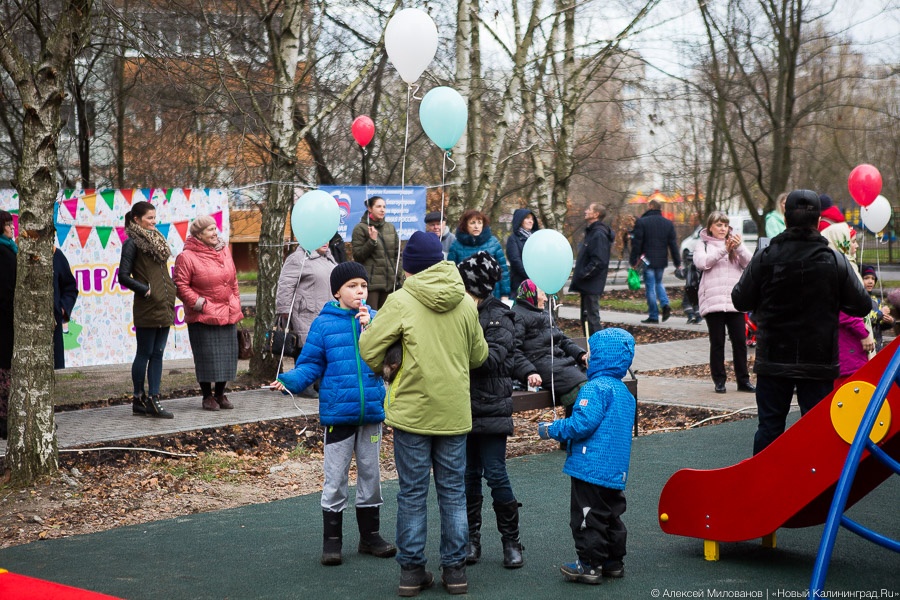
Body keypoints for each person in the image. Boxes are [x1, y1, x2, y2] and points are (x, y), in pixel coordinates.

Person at [359, 230, 488, 597]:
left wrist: (391, 363)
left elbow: (368, 347)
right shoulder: (465, 303)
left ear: (410, 268)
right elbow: (479, 356)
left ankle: (412, 573)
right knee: (453, 493)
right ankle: (455, 571)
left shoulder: (400, 301)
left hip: (412, 412)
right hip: (453, 412)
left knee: (412, 494)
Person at [271, 261, 396, 567]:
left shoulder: (376, 318)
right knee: (336, 477)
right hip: (339, 414)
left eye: (363, 286)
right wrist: (289, 380)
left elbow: (390, 358)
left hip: (371, 414)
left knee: (371, 474)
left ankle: (370, 536)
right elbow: (311, 363)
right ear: (338, 291)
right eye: (352, 286)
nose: (360, 291)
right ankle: (332, 541)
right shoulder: (324, 324)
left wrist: (372, 328)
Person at [732, 190, 871, 455]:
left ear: (785, 219)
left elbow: (740, 299)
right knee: (816, 430)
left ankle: (763, 487)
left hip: (774, 357)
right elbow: (862, 304)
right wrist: (832, 299)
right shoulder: (834, 260)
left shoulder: (766, 257)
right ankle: (813, 491)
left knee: (770, 429)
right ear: (818, 221)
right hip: (818, 360)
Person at [457, 251, 540, 570]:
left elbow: (491, 359)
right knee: (468, 476)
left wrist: (455, 352)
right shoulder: (461, 310)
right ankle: (471, 539)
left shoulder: (499, 316)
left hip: (491, 407)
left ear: (475, 287)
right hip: (462, 406)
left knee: (495, 473)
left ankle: (510, 540)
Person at [537, 328, 636, 585]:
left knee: (586, 515)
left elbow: (582, 424)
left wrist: (551, 430)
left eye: (592, 353)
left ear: (602, 357)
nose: (588, 357)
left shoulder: (594, 388)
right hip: (615, 469)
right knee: (611, 513)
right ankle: (614, 561)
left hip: (590, 467)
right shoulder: (624, 393)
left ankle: (590, 564)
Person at [173, 215, 244, 411]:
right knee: (207, 357)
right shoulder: (186, 257)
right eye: (210, 230)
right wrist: (199, 304)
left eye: (215, 228)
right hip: (203, 315)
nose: (215, 233)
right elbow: (180, 285)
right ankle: (207, 396)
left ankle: (221, 394)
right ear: (198, 235)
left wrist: (235, 300)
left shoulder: (224, 251)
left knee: (228, 356)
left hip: (227, 311)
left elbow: (233, 280)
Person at [118, 201, 177, 419]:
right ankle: (139, 398)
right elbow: (122, 276)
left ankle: (154, 398)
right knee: (145, 352)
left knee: (158, 353)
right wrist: (146, 290)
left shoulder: (157, 240)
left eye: (155, 217)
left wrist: (170, 290)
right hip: (148, 305)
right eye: (149, 218)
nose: (154, 222)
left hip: (164, 304)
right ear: (136, 219)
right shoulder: (132, 243)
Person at [692, 212, 754, 394]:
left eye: (725, 226)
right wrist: (723, 251)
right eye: (719, 225)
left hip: (734, 300)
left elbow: (750, 263)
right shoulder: (702, 244)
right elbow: (702, 263)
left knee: (740, 342)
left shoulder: (734, 244)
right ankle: (719, 380)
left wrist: (739, 247)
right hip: (713, 300)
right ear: (710, 227)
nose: (722, 229)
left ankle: (743, 380)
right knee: (717, 342)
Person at [513, 280, 588, 414]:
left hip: (557, 362)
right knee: (582, 388)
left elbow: (563, 339)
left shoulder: (544, 313)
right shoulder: (518, 316)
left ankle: (579, 428)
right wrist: (529, 372)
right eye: (542, 294)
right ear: (531, 295)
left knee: (594, 383)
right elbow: (513, 351)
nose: (546, 298)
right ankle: (574, 429)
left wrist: (581, 355)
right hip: (541, 365)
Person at [820, 223, 874, 386]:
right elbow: (844, 307)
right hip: (847, 341)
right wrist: (862, 333)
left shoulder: (845, 264)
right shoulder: (839, 267)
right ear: (840, 241)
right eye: (852, 241)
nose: (856, 245)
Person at [276, 242, 337, 360]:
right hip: (306, 317)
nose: (326, 242)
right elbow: (285, 285)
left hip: (327, 317)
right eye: (321, 237)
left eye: (328, 238)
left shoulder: (328, 258)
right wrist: (284, 310)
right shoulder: (297, 258)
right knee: (308, 359)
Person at [628, 199, 681, 324]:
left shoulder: (642, 222)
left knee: (650, 287)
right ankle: (665, 303)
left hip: (647, 259)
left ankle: (653, 315)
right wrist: (677, 262)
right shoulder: (668, 223)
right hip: (662, 259)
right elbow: (673, 245)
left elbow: (637, 243)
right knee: (658, 282)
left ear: (651, 206)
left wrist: (633, 259)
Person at [569, 203, 614, 336]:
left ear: (596, 214)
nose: (585, 211)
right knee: (587, 317)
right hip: (587, 284)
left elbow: (598, 261)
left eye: (589, 209)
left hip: (591, 284)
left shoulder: (598, 234)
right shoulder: (592, 232)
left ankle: (599, 349)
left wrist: (583, 274)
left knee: (592, 318)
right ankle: (591, 348)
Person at [448, 209, 511, 301]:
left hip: (493, 295)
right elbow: (451, 273)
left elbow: (503, 270)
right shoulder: (456, 246)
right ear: (465, 225)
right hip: (466, 296)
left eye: (479, 222)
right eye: (472, 223)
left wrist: (504, 294)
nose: (476, 226)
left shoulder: (493, 243)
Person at [351, 195, 401, 310]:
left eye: (384, 206)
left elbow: (398, 254)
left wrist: (397, 274)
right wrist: (372, 241)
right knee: (372, 319)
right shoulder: (360, 228)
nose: (382, 209)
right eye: (378, 206)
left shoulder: (391, 228)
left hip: (390, 283)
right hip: (371, 285)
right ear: (370, 208)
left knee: (388, 320)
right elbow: (358, 256)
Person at [0, 210, 16, 439]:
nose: (13, 228)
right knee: (4, 371)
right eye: (8, 225)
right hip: (4, 322)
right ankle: (4, 420)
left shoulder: (9, 249)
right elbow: (7, 290)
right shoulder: (4, 253)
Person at [52, 248, 78, 370]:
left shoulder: (55, 254)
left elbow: (70, 287)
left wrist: (62, 307)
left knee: (56, 373)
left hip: (52, 324)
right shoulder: (17, 252)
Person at [505, 208, 540, 294]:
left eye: (532, 219)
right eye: (527, 218)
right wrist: (531, 276)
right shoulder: (513, 239)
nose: (531, 221)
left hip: (538, 283)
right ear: (520, 220)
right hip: (520, 283)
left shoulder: (538, 239)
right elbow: (515, 260)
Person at [861, 264, 893, 352]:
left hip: (877, 348)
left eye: (873, 279)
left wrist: (889, 321)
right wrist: (881, 313)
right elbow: (866, 319)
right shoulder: (858, 300)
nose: (870, 281)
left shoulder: (876, 301)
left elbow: (879, 325)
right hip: (865, 347)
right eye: (866, 278)